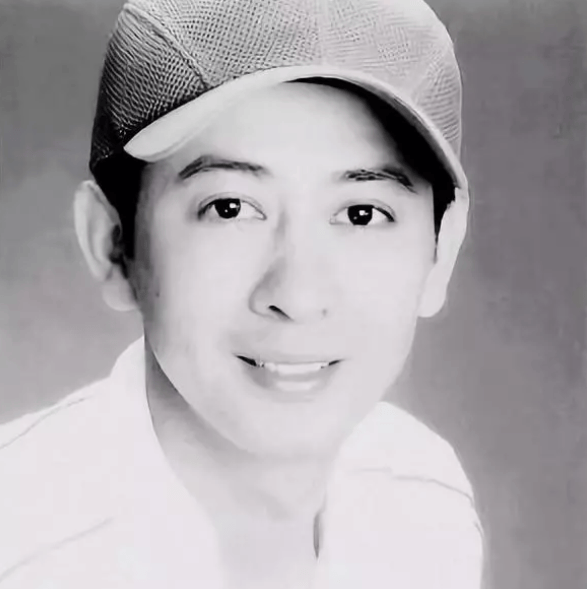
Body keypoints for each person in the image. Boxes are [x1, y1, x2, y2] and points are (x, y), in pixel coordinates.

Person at [0, 0, 485, 587]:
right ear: (112, 244)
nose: (298, 295)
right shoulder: (23, 547)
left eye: (362, 213)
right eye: (229, 208)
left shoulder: (424, 504)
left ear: (440, 254)